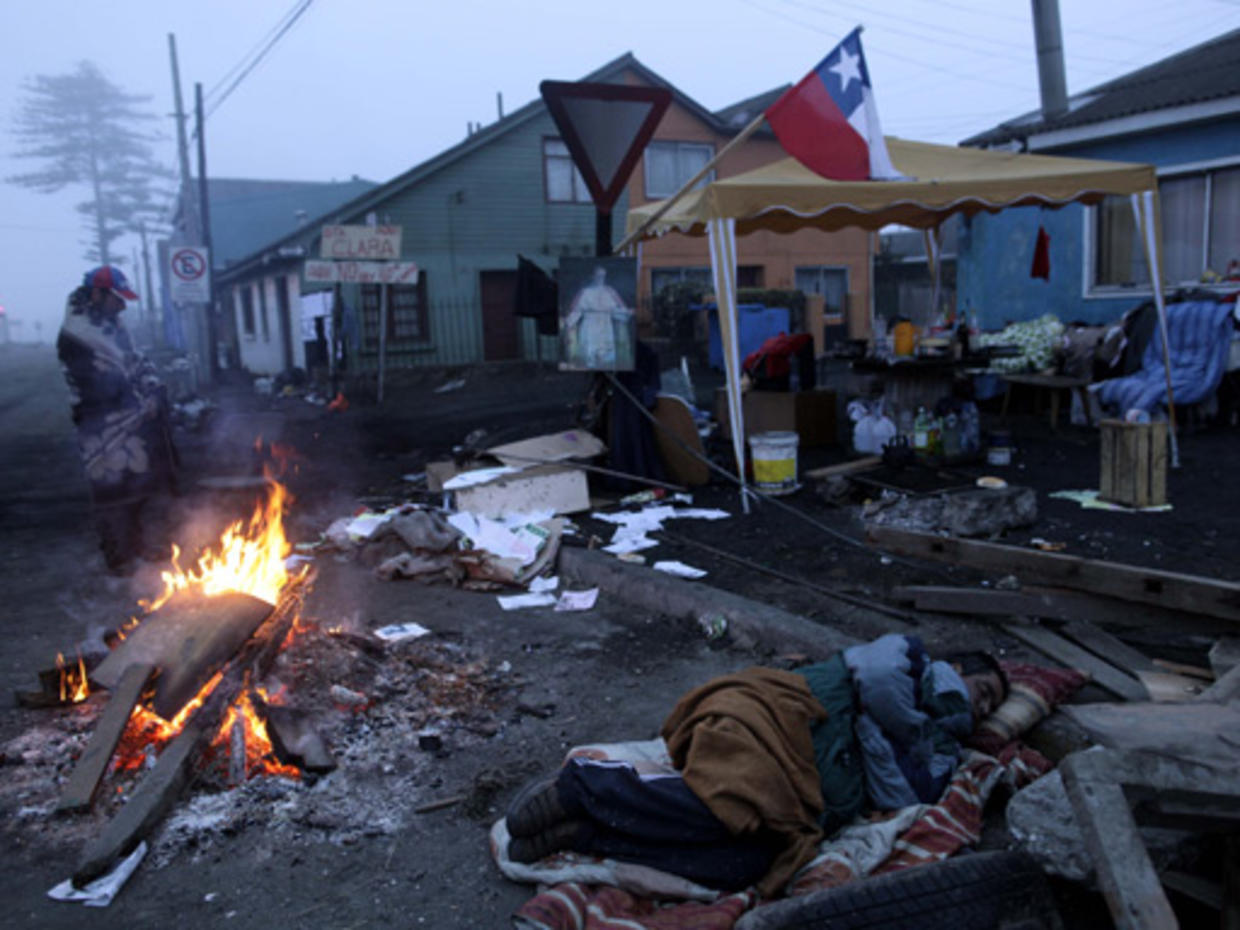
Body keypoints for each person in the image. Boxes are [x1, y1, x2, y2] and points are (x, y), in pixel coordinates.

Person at [503, 634, 1007, 897]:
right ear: (956, 669)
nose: (980, 710)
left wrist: (897, 733)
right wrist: (907, 729)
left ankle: (583, 833)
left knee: (743, 867)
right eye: (983, 692)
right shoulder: (909, 658)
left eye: (989, 709)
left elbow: (903, 797)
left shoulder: (940, 747)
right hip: (776, 719)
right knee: (732, 805)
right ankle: (583, 787)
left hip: (807, 798)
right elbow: (873, 678)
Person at [57, 265, 179, 574]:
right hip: (100, 423)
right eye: (117, 298)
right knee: (111, 490)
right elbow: (104, 382)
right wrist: (141, 400)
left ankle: (136, 547)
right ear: (98, 294)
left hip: (130, 418)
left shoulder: (111, 323)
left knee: (137, 484)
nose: (122, 305)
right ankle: (119, 557)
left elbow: (136, 360)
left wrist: (152, 385)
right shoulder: (77, 335)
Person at [563, 266, 634, 370]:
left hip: (605, 325)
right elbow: (577, 311)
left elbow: (615, 310)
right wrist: (569, 322)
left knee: (605, 357)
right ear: (593, 276)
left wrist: (627, 312)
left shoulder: (610, 291)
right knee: (590, 355)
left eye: (603, 276)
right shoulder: (585, 292)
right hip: (590, 325)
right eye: (598, 275)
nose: (601, 278)